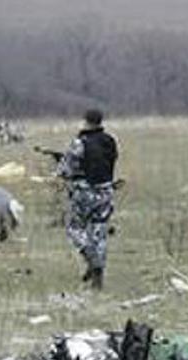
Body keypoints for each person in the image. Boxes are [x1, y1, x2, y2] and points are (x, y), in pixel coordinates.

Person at [57, 109, 119, 290]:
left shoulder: (79, 142)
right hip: (106, 191)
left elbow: (66, 169)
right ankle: (98, 277)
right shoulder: (110, 141)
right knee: (99, 232)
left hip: (84, 192)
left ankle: (90, 258)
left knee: (74, 228)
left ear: (85, 121)